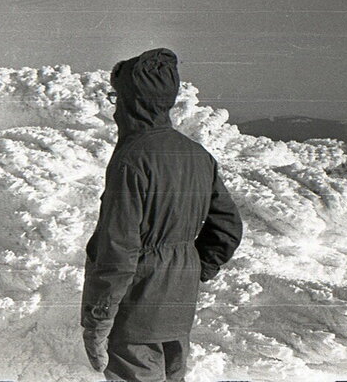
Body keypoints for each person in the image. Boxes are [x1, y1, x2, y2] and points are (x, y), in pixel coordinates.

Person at [80, 48, 243, 382]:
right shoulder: (198, 155)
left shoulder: (131, 159)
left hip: (136, 309)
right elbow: (227, 227)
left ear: (130, 101)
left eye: (116, 96)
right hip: (178, 305)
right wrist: (193, 269)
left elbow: (118, 250)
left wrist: (98, 321)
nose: (114, 108)